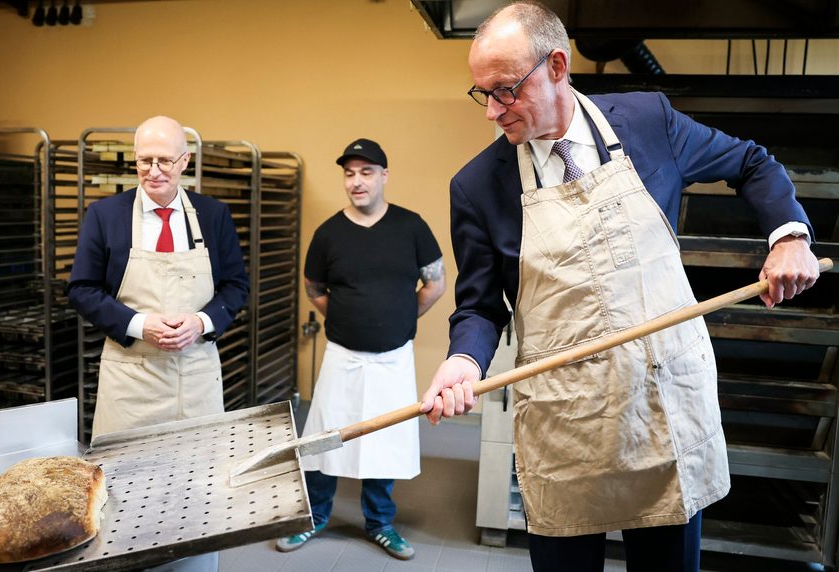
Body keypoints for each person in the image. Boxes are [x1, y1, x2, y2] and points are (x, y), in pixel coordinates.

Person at [418, 3, 822, 571]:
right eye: (481, 93)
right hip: (568, 423)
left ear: (557, 66)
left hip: (662, 406)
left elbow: (751, 162)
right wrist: (464, 360)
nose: (491, 111)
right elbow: (482, 305)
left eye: (505, 91)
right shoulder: (478, 186)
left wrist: (788, 236)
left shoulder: (649, 121)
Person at [68, 115, 248, 572]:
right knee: (125, 490)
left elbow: (236, 287)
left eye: (165, 160)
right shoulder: (105, 216)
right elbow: (82, 289)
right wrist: (138, 323)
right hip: (131, 380)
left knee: (201, 486)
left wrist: (202, 320)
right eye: (144, 160)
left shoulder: (213, 215)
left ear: (185, 161)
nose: (154, 171)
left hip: (196, 376)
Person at [275, 138, 446, 561]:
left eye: (366, 172)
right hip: (342, 357)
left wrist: (402, 316)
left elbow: (435, 284)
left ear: (384, 176)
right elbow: (314, 288)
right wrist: (350, 316)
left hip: (393, 360)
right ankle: (312, 518)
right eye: (350, 173)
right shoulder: (329, 233)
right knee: (323, 441)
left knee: (384, 442)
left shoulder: (411, 226)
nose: (357, 181)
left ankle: (380, 523)